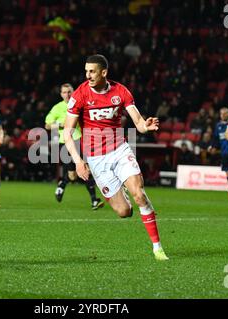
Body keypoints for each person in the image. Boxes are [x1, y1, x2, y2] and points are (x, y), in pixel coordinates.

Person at [64, 54, 169, 261]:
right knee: (124, 211)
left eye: (92, 71)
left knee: (139, 194)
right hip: (96, 159)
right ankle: (121, 190)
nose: (88, 75)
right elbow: (68, 131)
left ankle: (157, 247)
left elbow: (138, 122)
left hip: (120, 150)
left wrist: (145, 127)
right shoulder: (80, 94)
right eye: (86, 71)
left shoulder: (121, 91)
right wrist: (78, 161)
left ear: (104, 72)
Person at [45, 83, 104, 210]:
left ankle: (94, 200)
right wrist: (60, 125)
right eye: (64, 92)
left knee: (86, 168)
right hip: (65, 143)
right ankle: (62, 183)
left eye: (69, 92)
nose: (67, 94)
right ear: (61, 94)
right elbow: (47, 125)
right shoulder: (57, 108)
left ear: (73, 92)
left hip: (81, 141)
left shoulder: (80, 104)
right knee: (72, 175)